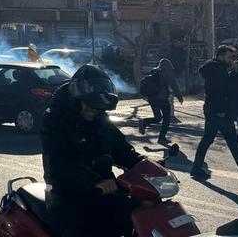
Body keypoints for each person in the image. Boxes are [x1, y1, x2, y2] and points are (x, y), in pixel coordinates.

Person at [41, 65, 144, 237]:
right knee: (88, 229)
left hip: (104, 188)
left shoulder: (98, 118)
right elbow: (59, 163)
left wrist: (142, 163)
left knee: (134, 214)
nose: (93, 110)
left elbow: (120, 147)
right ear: (76, 99)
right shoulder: (54, 118)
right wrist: (93, 181)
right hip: (66, 191)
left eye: (98, 108)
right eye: (89, 105)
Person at [190, 45, 238, 181]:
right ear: (221, 55)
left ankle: (196, 168)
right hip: (219, 112)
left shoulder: (216, 69)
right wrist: (221, 111)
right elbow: (217, 92)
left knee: (210, 140)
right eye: (230, 57)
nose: (232, 60)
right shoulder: (217, 70)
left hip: (214, 111)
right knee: (231, 142)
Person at [138, 58, 184, 144]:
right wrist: (179, 96)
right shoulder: (167, 72)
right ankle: (161, 138)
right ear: (169, 65)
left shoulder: (154, 71)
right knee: (166, 119)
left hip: (152, 99)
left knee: (158, 117)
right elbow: (173, 85)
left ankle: (145, 122)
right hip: (162, 99)